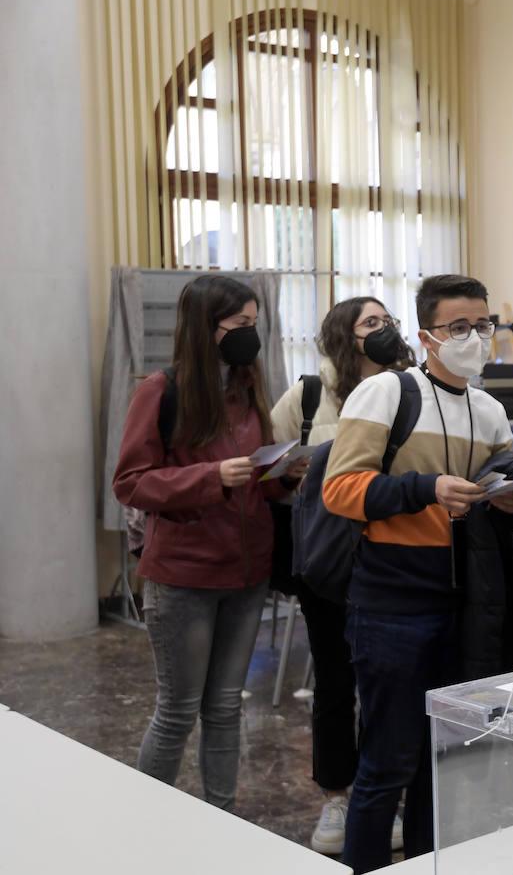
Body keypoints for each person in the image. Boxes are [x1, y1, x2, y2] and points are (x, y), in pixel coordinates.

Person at [321, 275, 513, 873]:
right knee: (387, 764)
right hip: (393, 603)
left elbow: (496, 495)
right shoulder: (388, 393)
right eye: (458, 327)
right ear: (427, 336)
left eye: (483, 325)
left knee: (445, 767)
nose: (473, 337)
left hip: (468, 604)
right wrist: (426, 489)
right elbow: (342, 489)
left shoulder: (489, 410)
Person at [113, 275, 307, 811]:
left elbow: (256, 471)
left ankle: (220, 820)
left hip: (247, 574)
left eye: (254, 323)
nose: (250, 335)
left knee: (224, 707)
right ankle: (147, 822)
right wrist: (210, 476)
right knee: (177, 710)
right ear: (206, 329)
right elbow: (130, 482)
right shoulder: (160, 389)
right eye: (240, 325)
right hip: (183, 576)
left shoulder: (247, 387)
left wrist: (286, 473)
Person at [269, 296, 414, 855]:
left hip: (393, 554)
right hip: (329, 558)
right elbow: (271, 472)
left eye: (387, 321)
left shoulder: (411, 388)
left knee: (392, 678)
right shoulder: (308, 394)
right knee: (334, 678)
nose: (383, 330)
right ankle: (338, 793)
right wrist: (295, 473)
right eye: (369, 323)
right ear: (342, 336)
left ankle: (390, 789)